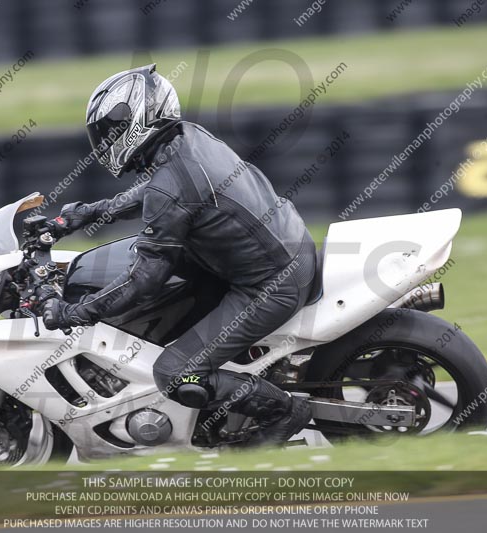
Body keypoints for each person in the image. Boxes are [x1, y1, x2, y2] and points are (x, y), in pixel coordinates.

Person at [41, 64, 316, 446]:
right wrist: (89, 212)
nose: (104, 144)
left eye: (110, 134)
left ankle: (283, 412)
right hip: (280, 250)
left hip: (270, 284)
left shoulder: (171, 182)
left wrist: (76, 312)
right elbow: (153, 193)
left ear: (139, 122)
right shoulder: (187, 139)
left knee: (175, 373)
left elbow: (145, 277)